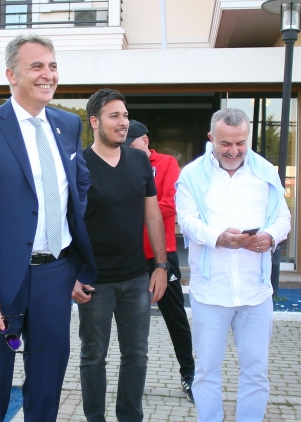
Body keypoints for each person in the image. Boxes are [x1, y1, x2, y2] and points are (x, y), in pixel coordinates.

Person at [0, 34, 97, 422]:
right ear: (11, 75)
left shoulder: (68, 124)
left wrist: (69, 250)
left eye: (52, 66)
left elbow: (78, 184)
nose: (48, 74)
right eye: (37, 66)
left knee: (47, 387)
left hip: (55, 277)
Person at [176, 108, 291, 422]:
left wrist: (270, 236)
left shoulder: (265, 172)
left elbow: (283, 217)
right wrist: (219, 238)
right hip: (211, 291)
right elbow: (187, 221)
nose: (234, 150)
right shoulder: (191, 175)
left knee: (256, 372)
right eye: (225, 143)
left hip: (255, 291)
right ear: (211, 138)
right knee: (206, 372)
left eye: (241, 143)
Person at [72, 89, 168, 422]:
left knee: (137, 356)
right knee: (93, 356)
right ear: (95, 122)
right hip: (94, 282)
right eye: (115, 116)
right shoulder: (78, 165)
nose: (123, 122)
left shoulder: (140, 161)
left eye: (125, 115)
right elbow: (66, 222)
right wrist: (71, 274)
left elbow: (153, 216)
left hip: (137, 278)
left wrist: (161, 266)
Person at [125, 119, 196, 404]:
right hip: (129, 255)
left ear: (145, 141)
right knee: (132, 322)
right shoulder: (121, 162)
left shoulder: (166, 163)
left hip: (161, 256)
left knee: (175, 317)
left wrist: (132, 210)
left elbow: (171, 203)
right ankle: (133, 379)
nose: (127, 150)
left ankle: (189, 374)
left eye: (131, 145)